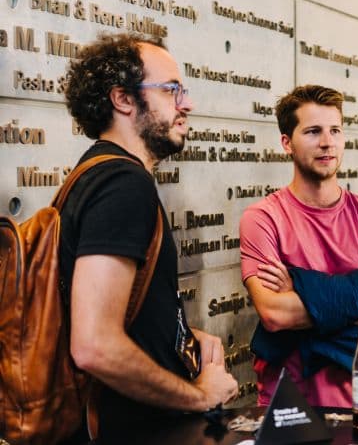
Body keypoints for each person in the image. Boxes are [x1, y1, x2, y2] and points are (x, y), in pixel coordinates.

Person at [61, 33, 238, 439]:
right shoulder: (124, 183)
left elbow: (110, 313)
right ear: (123, 99)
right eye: (171, 90)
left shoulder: (94, 174)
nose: (186, 104)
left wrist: (177, 334)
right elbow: (93, 345)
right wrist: (199, 395)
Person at [239, 84, 358, 407]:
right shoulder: (263, 218)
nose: (327, 142)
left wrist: (304, 290)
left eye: (335, 130)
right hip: (289, 405)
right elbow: (275, 314)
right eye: (313, 131)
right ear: (286, 143)